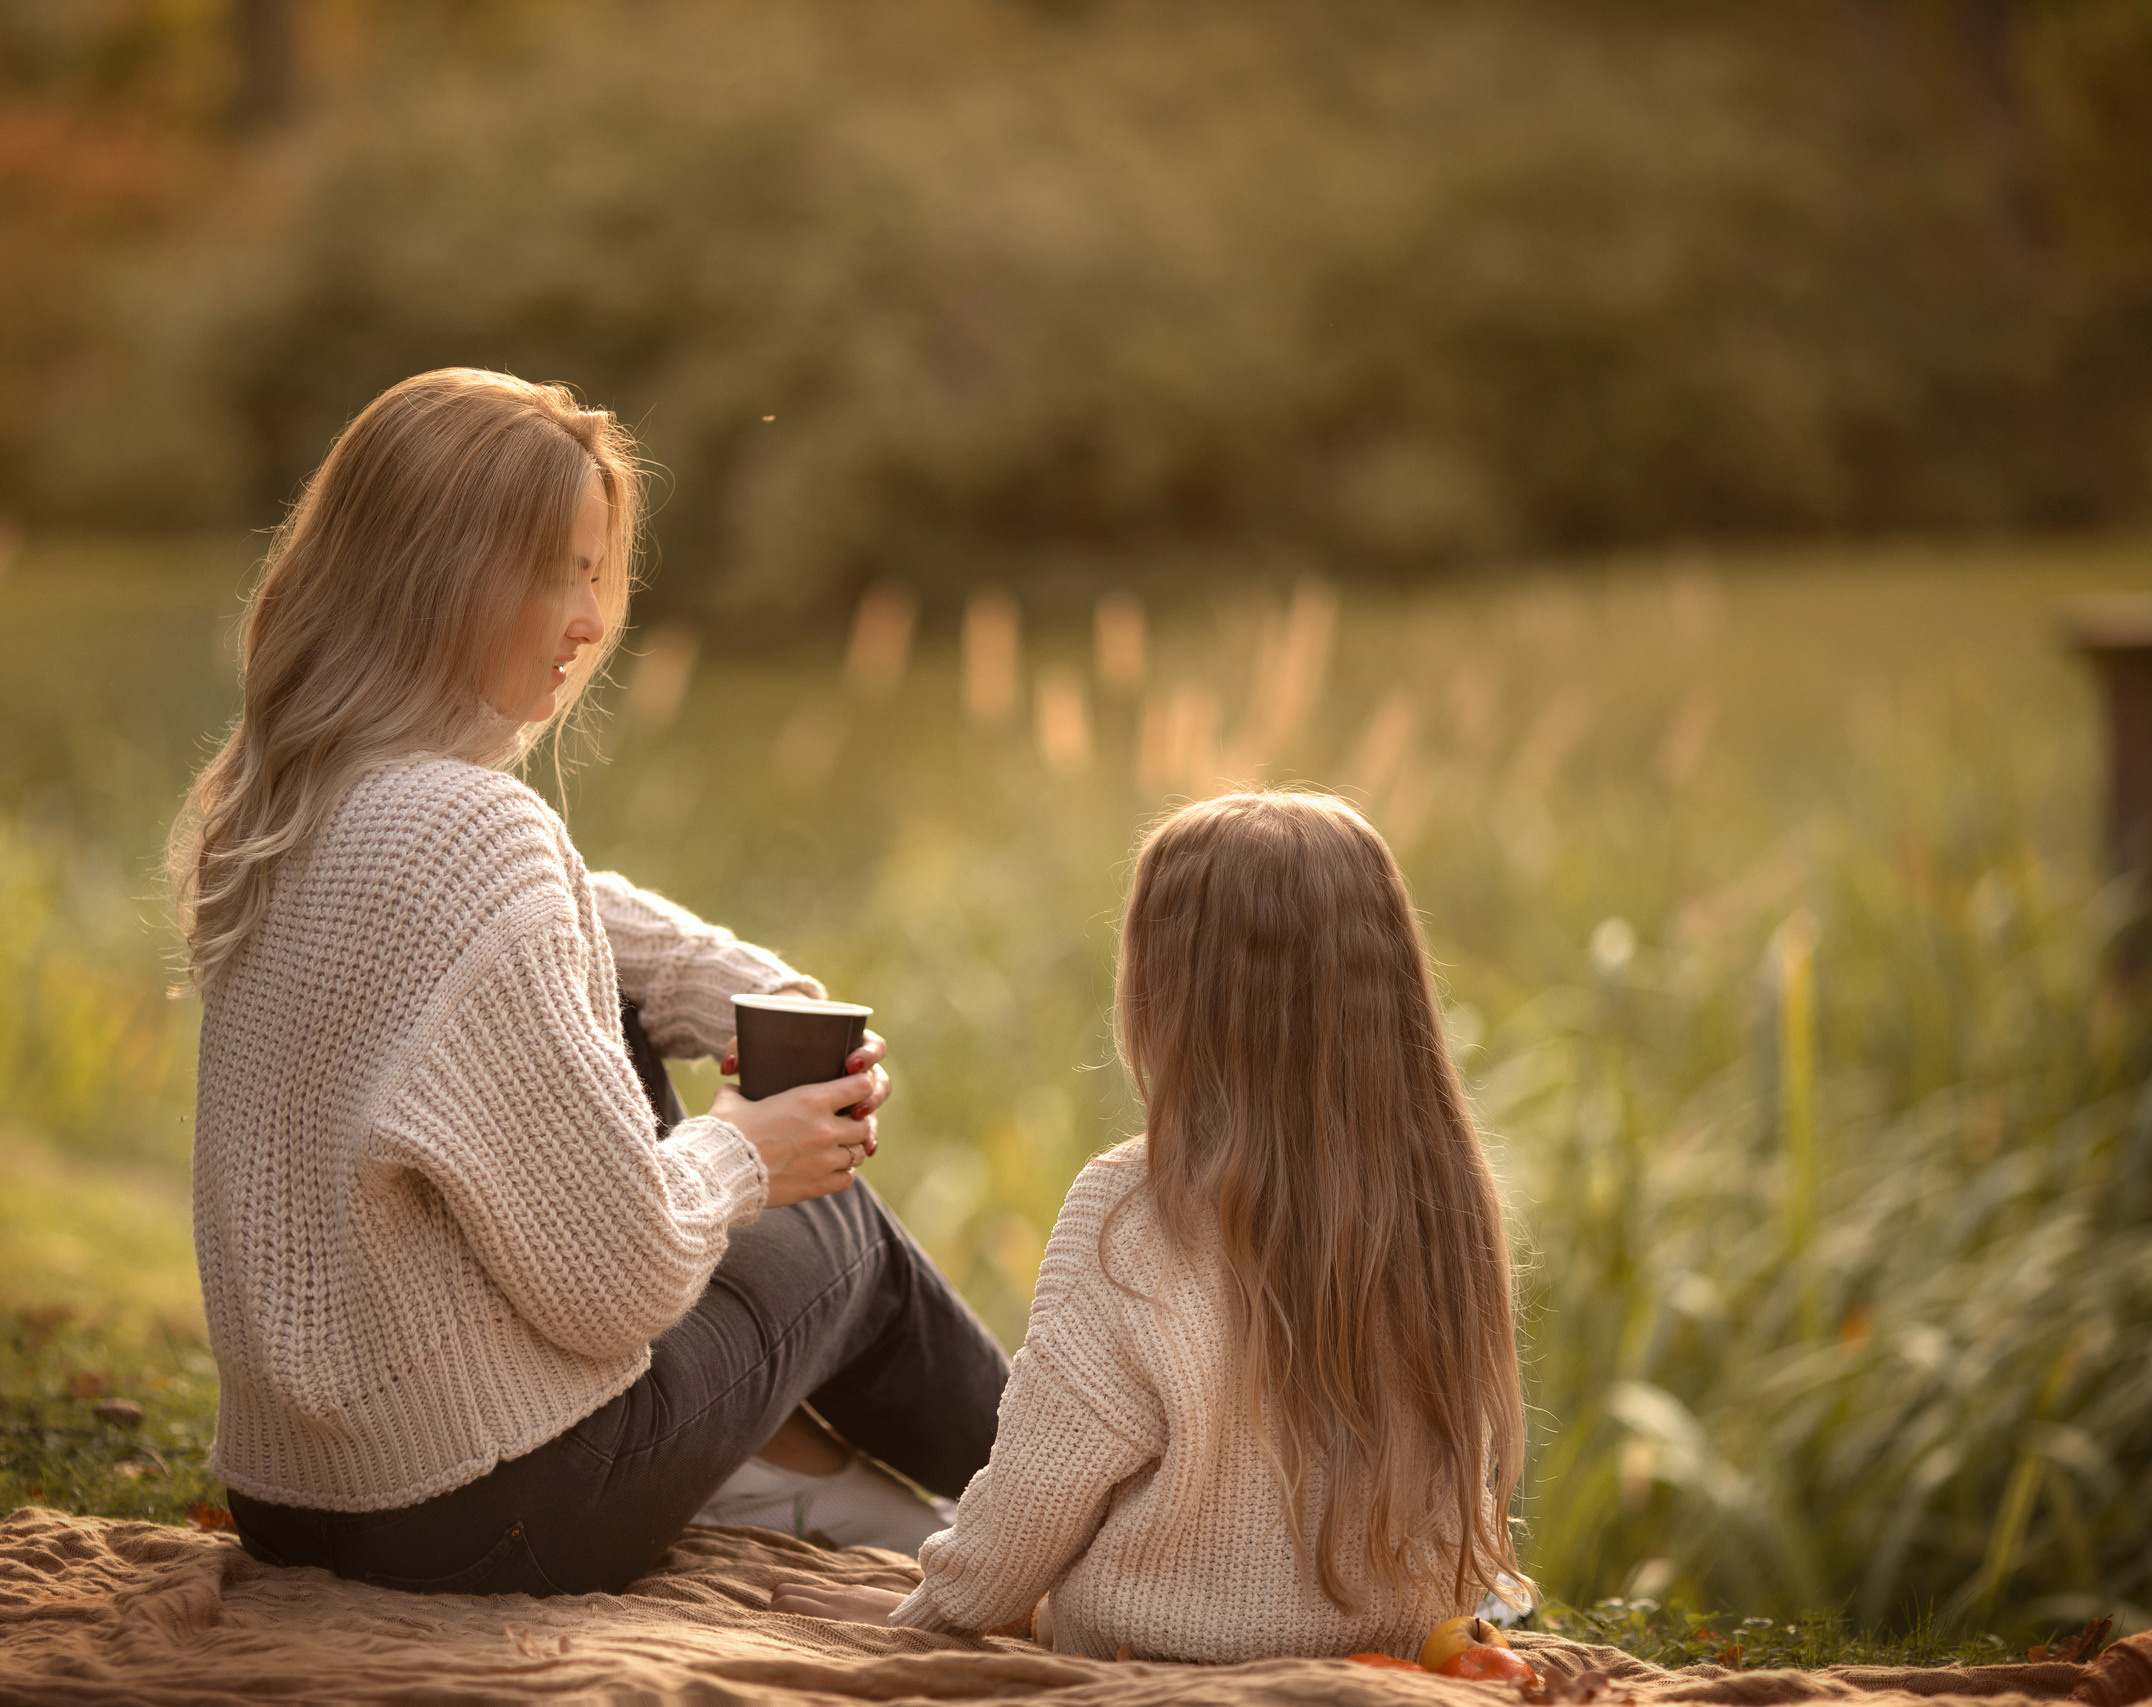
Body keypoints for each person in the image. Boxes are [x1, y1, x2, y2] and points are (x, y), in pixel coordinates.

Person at [171, 367, 1008, 1595]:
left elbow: (572, 924)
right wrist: (746, 1152)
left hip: (298, 1497)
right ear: (435, 578)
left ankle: (775, 1464)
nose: (588, 620)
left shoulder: (286, 800)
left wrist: (749, 995)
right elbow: (618, 1282)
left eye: (591, 572)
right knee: (839, 1236)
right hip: (491, 1509)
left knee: (618, 1012)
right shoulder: (474, 833)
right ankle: (1085, 1507)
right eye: (553, 572)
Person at [772, 792, 1528, 1662]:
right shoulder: (1445, 1194)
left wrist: (927, 1614)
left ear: (1164, 990)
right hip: (1395, 1646)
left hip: (1159, 1653)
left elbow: (1036, 1497)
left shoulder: (1133, 1204)